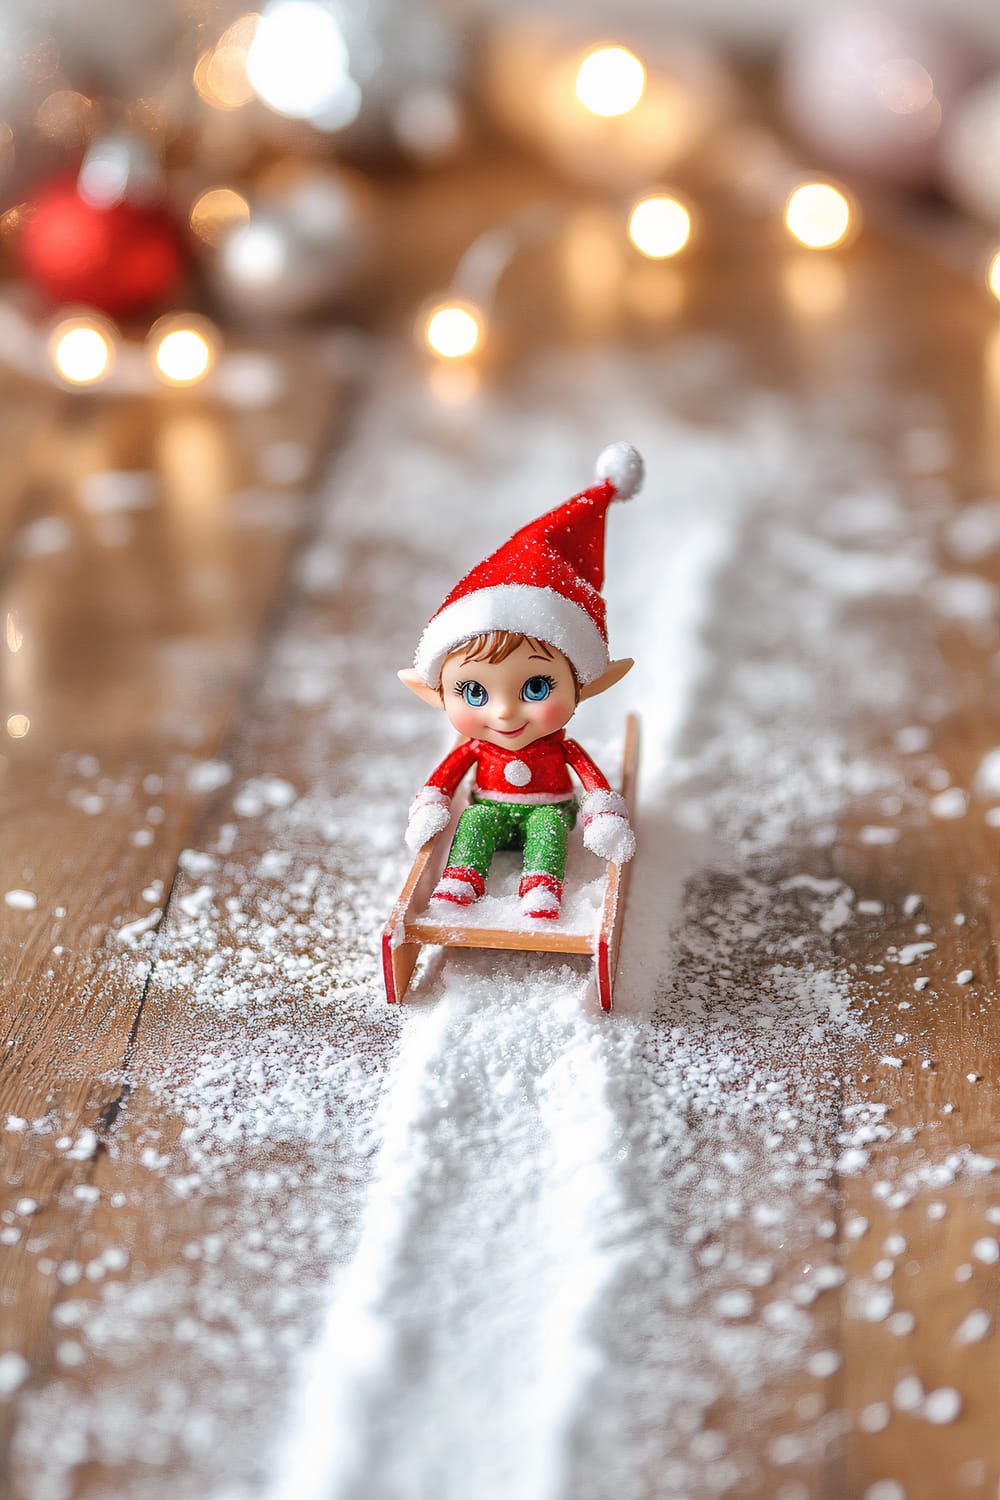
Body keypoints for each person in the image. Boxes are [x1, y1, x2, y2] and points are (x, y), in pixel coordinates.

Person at [398, 442, 642, 921]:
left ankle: (541, 884)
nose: (504, 712)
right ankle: (460, 879)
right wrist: (432, 802)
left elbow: (591, 778)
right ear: (437, 692)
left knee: (548, 829)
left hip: (548, 807)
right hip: (490, 803)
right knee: (474, 821)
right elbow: (445, 778)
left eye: (535, 688)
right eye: (474, 692)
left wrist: (604, 811)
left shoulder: (560, 746)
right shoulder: (477, 748)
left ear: (583, 684)